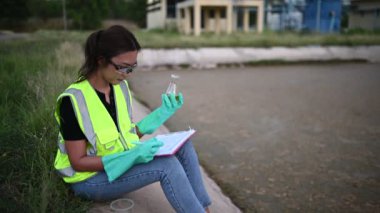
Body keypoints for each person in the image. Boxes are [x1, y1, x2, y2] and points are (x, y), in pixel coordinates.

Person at [54, 25, 211, 213]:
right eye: (122, 68)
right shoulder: (72, 101)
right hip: (90, 180)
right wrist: (131, 156)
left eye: (132, 68)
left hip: (120, 165)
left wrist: (161, 114)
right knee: (166, 165)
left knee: (183, 146)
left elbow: (126, 135)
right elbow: (78, 162)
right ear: (100, 60)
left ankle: (204, 209)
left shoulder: (120, 88)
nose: (127, 74)